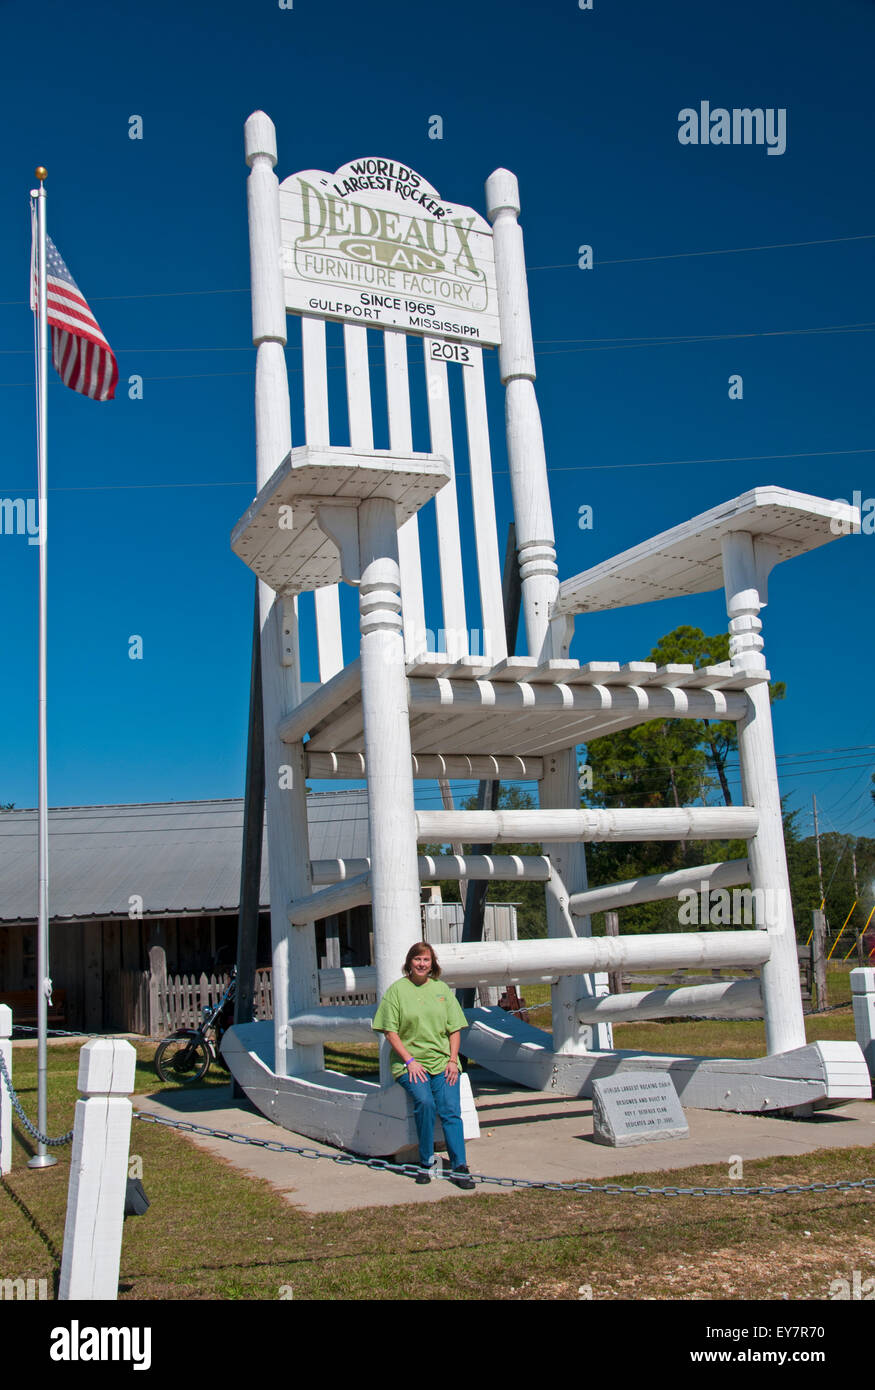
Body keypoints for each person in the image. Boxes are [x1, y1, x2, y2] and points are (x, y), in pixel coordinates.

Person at [372, 941, 476, 1190]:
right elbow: (390, 1031)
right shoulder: (397, 991)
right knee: (426, 1103)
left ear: (433, 964)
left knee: (450, 1109)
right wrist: (410, 1061)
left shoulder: (442, 990)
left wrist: (453, 1061)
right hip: (410, 1064)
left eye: (426, 960)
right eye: (417, 959)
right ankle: (426, 1162)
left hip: (443, 1062)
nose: (421, 964)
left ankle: (460, 1166)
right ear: (409, 962)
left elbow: (455, 1029)